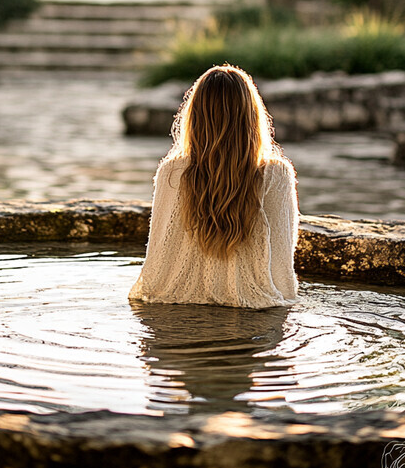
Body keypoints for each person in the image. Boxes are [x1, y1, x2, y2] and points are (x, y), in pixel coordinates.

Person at [128, 64, 299, 309]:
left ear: (195, 116)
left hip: (174, 307)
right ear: (251, 116)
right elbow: (282, 267)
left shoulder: (173, 171)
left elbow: (157, 260)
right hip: (253, 312)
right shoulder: (276, 173)